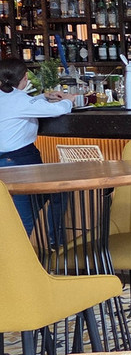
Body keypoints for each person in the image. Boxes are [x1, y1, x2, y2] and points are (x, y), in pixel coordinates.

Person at [0, 59, 77, 235]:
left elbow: (22, 104)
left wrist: (43, 97)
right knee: (24, 221)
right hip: (18, 162)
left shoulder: (10, 97)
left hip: (11, 161)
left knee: (57, 191)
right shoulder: (20, 100)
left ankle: (53, 241)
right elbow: (58, 110)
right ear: (25, 77)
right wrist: (69, 100)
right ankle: (35, 247)